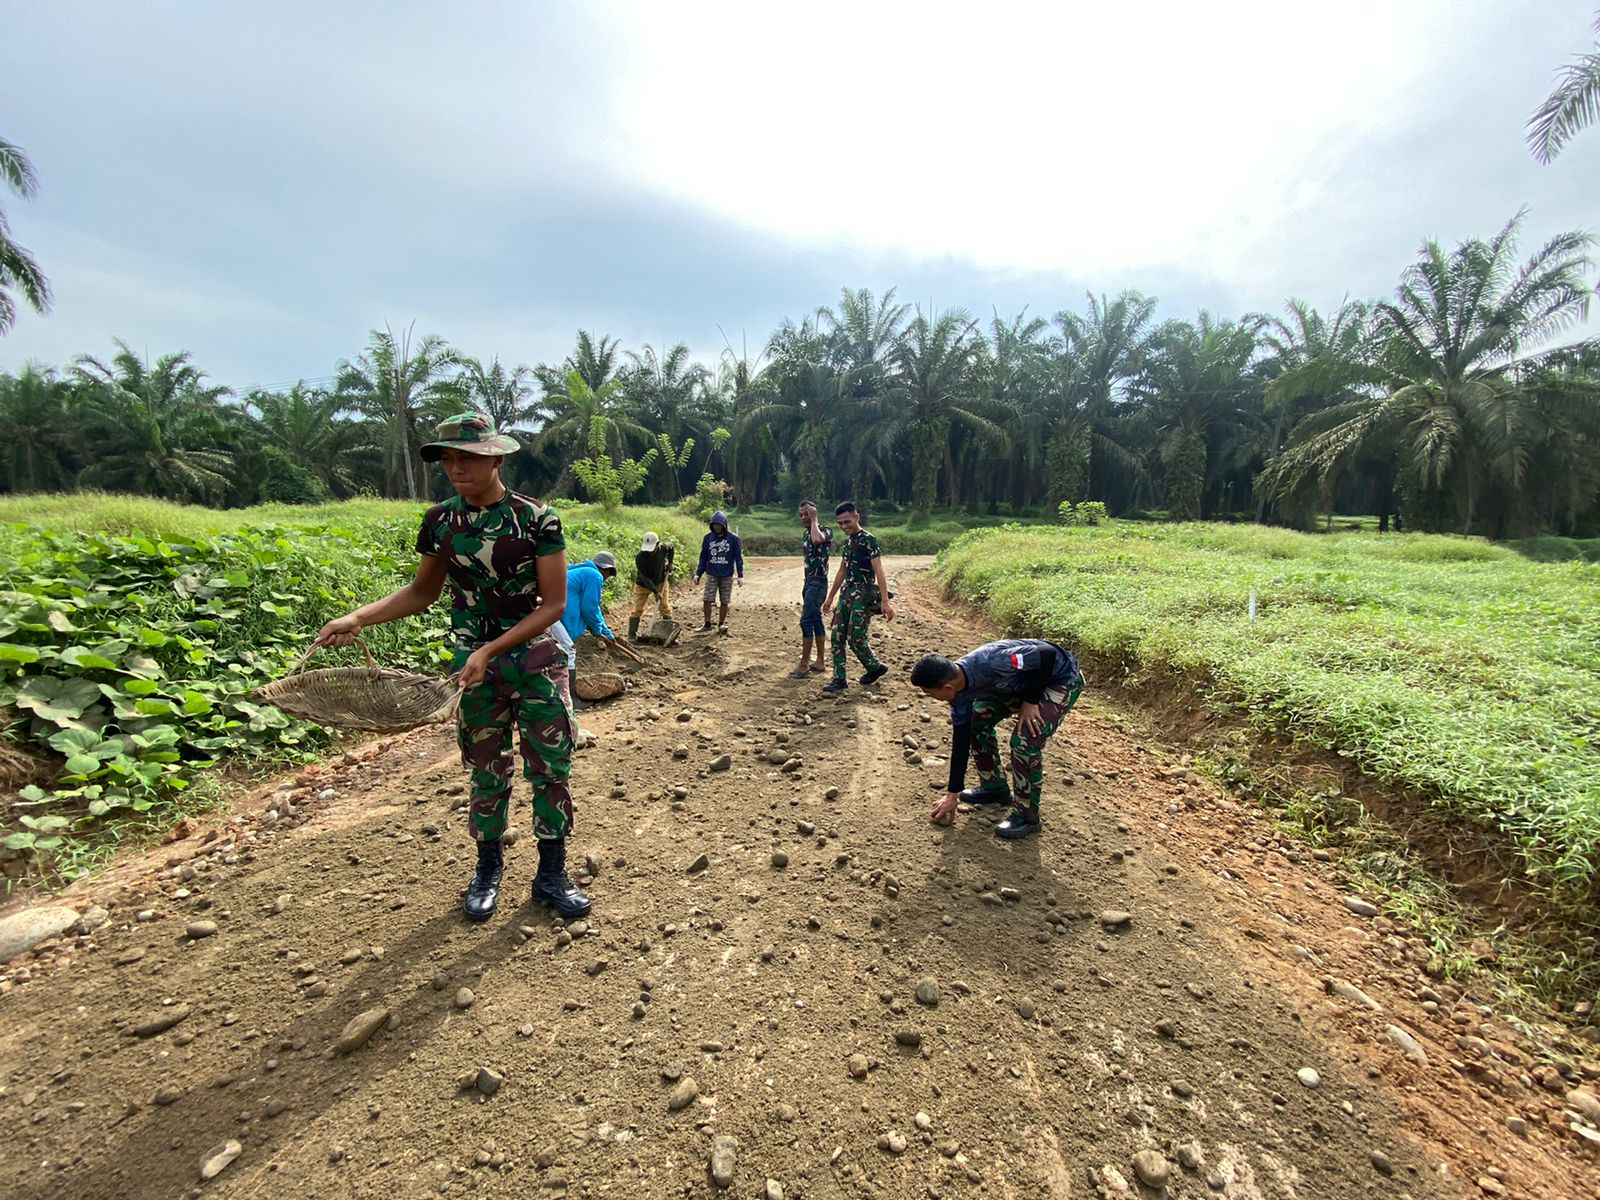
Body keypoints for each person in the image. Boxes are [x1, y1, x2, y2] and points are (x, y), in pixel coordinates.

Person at [315, 412, 590, 923]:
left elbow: (552, 605)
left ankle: (552, 873)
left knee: (551, 768)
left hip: (536, 659)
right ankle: (488, 870)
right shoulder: (440, 520)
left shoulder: (537, 519)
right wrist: (357, 618)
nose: (456, 468)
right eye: (447, 459)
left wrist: (491, 649)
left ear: (496, 459)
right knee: (486, 769)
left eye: (467, 457)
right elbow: (422, 592)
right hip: (474, 666)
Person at [910, 639, 1084, 840]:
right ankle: (994, 788)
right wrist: (952, 794)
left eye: (929, 693)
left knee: (1024, 740)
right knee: (977, 720)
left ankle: (1027, 816)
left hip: (1059, 678)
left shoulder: (995, 662)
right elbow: (961, 740)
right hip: (1020, 684)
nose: (930, 697)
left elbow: (1046, 654)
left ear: (947, 687)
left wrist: (1031, 701)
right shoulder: (958, 694)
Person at [821, 502, 894, 693]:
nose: (844, 526)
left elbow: (879, 570)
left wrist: (885, 601)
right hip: (846, 593)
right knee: (837, 636)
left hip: (863, 595)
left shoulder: (869, 540)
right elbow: (842, 571)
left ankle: (874, 667)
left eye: (847, 522)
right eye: (840, 524)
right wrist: (830, 598)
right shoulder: (848, 543)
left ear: (856, 517)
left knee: (856, 638)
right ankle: (839, 679)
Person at [561, 550, 619, 710]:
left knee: (555, 652)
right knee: (568, 652)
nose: (606, 579)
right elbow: (589, 608)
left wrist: (605, 632)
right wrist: (596, 629)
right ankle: (572, 700)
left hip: (551, 611)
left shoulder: (580, 571)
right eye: (609, 575)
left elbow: (594, 608)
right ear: (606, 570)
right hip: (557, 615)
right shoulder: (595, 576)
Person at [791, 500, 832, 678]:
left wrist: (814, 520)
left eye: (807, 514)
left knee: (806, 621)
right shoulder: (805, 534)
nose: (803, 518)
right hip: (809, 582)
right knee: (815, 619)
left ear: (814, 513)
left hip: (818, 581)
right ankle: (820, 661)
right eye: (801, 515)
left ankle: (804, 665)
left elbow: (817, 540)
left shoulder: (825, 531)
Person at [693, 510, 743, 633]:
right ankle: (707, 623)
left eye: (719, 524)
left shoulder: (733, 539)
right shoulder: (708, 538)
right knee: (707, 598)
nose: (717, 527)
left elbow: (738, 558)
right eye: (714, 524)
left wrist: (740, 575)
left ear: (724, 524)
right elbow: (703, 557)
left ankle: (721, 624)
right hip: (712, 573)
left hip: (727, 574)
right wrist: (698, 573)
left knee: (724, 600)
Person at [629, 531, 674, 641]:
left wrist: (670, 563)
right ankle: (632, 636)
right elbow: (644, 577)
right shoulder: (640, 557)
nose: (649, 552)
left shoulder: (664, 548)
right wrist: (655, 591)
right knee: (637, 609)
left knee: (665, 607)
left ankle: (669, 635)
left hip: (660, 582)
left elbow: (671, 548)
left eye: (652, 548)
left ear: (658, 544)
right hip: (643, 584)